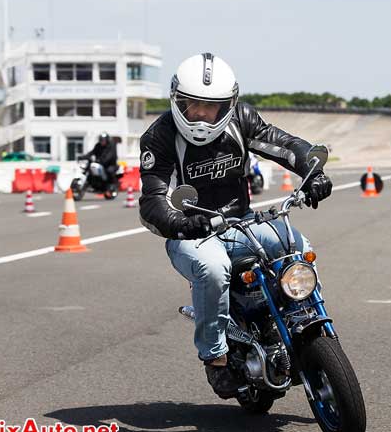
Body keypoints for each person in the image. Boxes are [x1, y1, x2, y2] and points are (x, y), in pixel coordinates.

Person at [139, 53, 333, 398]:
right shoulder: (160, 136)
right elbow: (152, 200)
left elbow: (284, 145)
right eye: (190, 105)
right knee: (213, 269)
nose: (200, 115)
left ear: (229, 104)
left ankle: (312, 328)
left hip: (242, 222)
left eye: (209, 107)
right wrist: (181, 223)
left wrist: (313, 172)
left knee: (297, 247)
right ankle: (215, 358)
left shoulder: (241, 119)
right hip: (192, 235)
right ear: (175, 100)